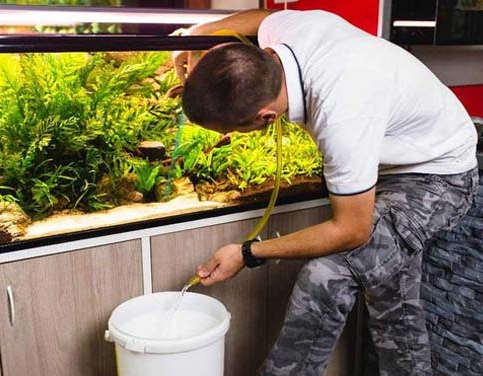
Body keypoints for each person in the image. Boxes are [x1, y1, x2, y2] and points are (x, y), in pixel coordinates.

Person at [172, 8, 479, 376]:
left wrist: (247, 252)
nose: (233, 138)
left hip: (439, 176)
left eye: (236, 131)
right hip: (391, 162)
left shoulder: (341, 115)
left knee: (326, 276)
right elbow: (262, 16)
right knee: (390, 290)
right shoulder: (285, 32)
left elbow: (352, 230)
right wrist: (197, 33)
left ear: (266, 118)